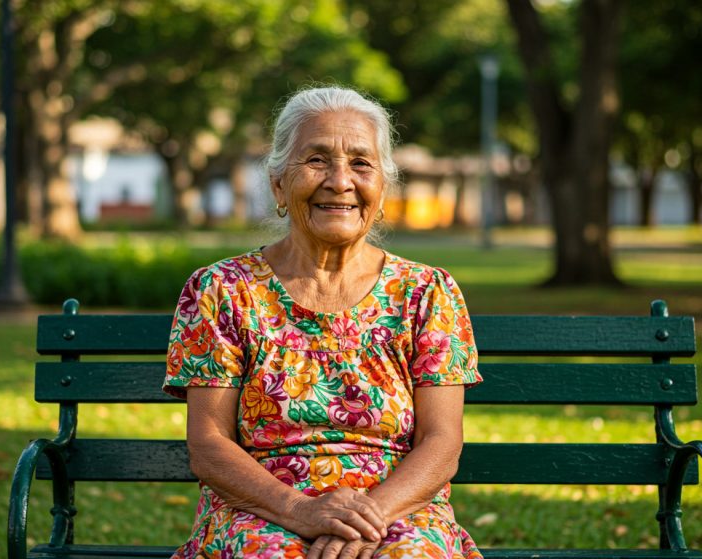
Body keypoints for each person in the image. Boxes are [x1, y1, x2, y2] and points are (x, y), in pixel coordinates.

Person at [164, 86, 482, 559]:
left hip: (398, 511)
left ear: (383, 186)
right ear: (277, 184)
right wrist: (301, 511)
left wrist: (361, 519)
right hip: (262, 508)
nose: (339, 181)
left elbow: (442, 442)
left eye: (360, 163)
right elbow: (209, 442)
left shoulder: (427, 292)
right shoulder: (223, 290)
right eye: (316, 160)